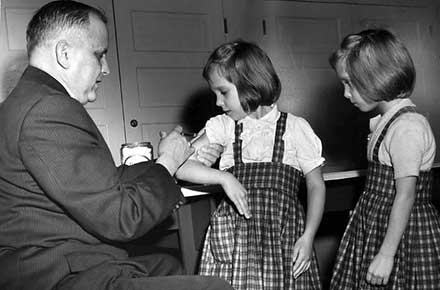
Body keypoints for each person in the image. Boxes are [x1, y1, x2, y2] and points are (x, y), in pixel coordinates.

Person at [0, 1, 231, 290]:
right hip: (58, 275)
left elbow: (100, 182)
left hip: (58, 260)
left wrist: (173, 161)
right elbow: (122, 219)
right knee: (215, 287)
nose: (106, 68)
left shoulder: (29, 100)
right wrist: (168, 163)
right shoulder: (47, 109)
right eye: (100, 55)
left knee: (169, 263)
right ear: (64, 54)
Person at [176, 40, 326, 290]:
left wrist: (308, 236)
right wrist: (224, 178)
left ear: (250, 83)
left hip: (282, 237)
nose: (217, 102)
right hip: (236, 243)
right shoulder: (223, 126)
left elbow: (316, 186)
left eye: (223, 92)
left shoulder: (295, 128)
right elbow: (181, 166)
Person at [329, 29, 440, 289]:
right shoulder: (387, 122)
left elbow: (405, 195)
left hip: (403, 234)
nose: (346, 94)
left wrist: (386, 254)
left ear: (376, 76)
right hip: (378, 221)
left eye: (350, 83)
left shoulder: (407, 126)